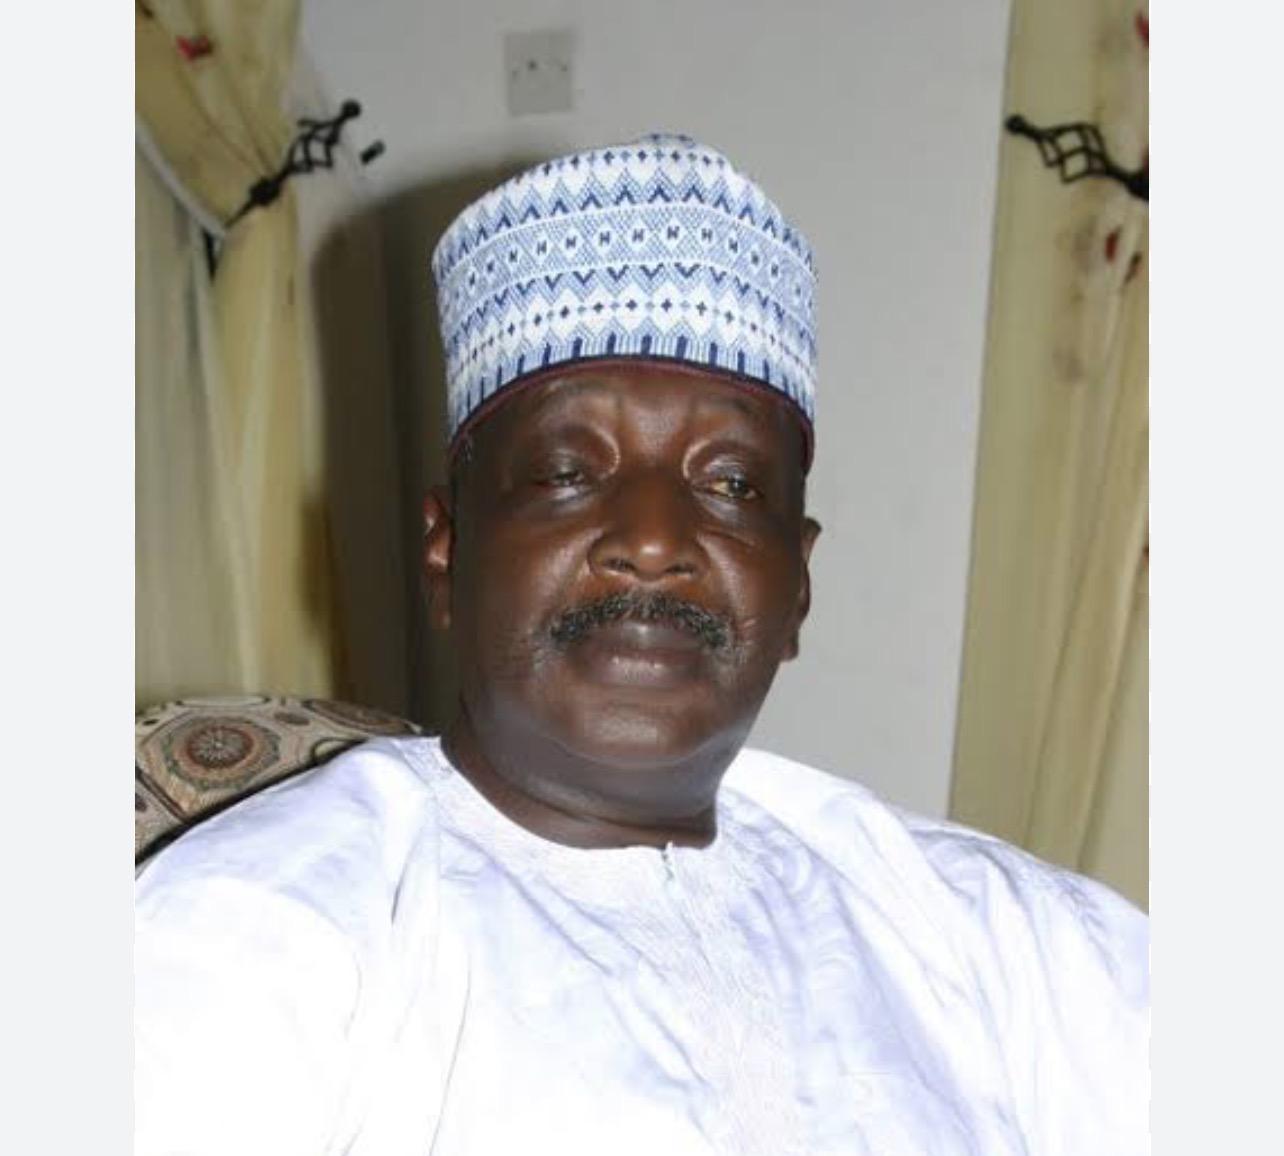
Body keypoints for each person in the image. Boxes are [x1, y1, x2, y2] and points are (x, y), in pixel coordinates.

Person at [135, 135, 1148, 1156]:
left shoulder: (989, 934)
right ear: (447, 554)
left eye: (732, 484)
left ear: (796, 584)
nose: (656, 541)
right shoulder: (265, 928)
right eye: (568, 472)